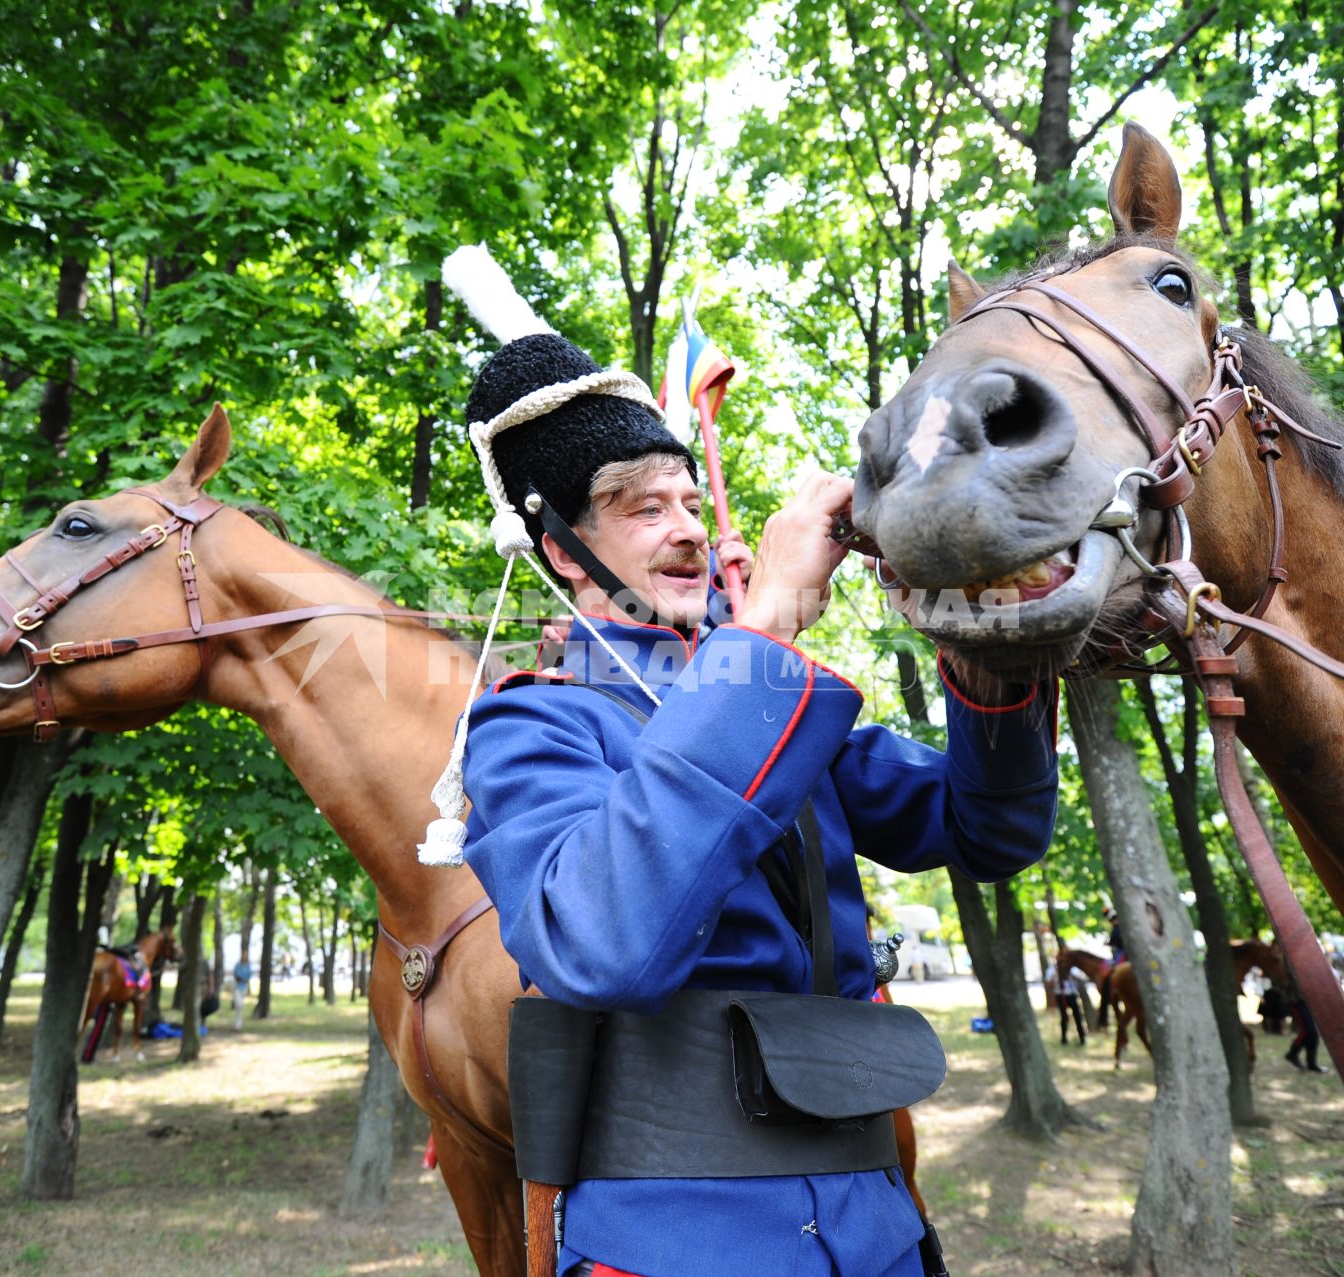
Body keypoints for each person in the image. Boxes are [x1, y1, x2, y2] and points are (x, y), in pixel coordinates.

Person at [446, 313, 1061, 1277]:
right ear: (564, 550)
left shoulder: (765, 701)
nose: (691, 529)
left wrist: (987, 638)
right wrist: (765, 624)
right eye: (644, 509)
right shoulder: (534, 727)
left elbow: (990, 828)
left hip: (881, 1231)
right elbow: (597, 942)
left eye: (690, 502)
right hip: (676, 1247)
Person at [230, 956, 253, 1031]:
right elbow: (237, 976)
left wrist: (243, 979)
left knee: (240, 1006)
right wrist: (242, 979)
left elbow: (248, 977)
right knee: (239, 1005)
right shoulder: (238, 966)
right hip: (237, 987)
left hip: (244, 988)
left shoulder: (248, 966)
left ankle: (238, 1023)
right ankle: (237, 1024)